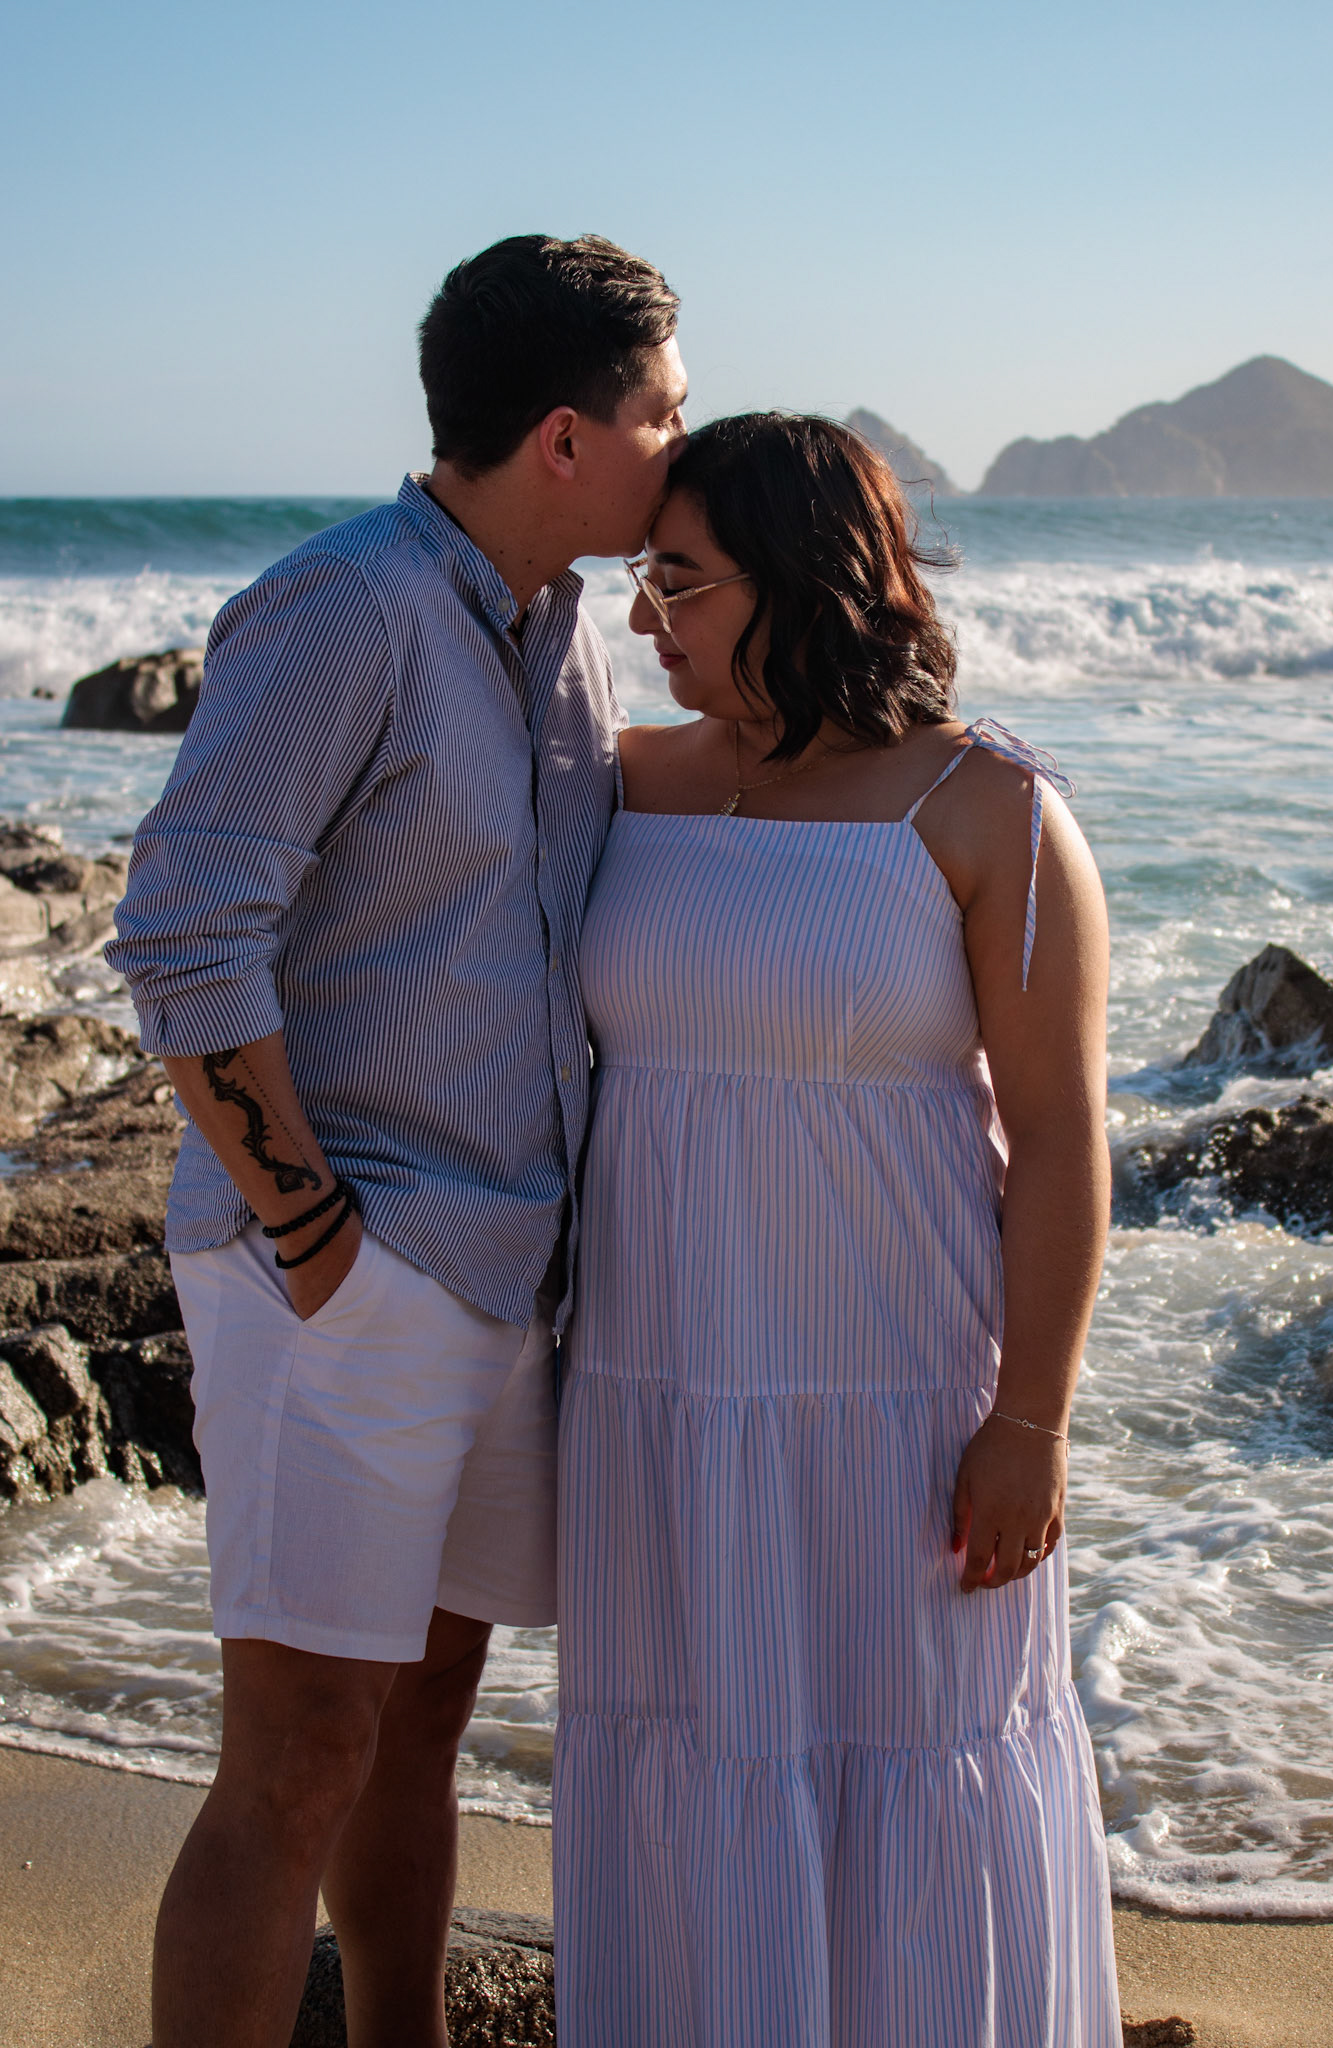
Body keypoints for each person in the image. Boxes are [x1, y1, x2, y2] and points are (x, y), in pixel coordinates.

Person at [105, 232, 687, 2048]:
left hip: (508, 1268)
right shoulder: (341, 610)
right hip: (348, 1272)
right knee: (295, 1753)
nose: (686, 438)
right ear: (566, 436)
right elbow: (185, 927)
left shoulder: (561, 628)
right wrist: (310, 1234)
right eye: (664, 408)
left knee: (428, 1712)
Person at [554, 413, 1120, 2045]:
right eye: (639, 581)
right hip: (657, 1397)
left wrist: (1032, 1422)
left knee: (914, 1764)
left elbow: (1067, 1149)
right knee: (684, 1757)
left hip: (901, 1404)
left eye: (681, 581)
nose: (646, 622)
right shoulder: (623, 786)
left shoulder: (987, 809)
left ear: (803, 578)